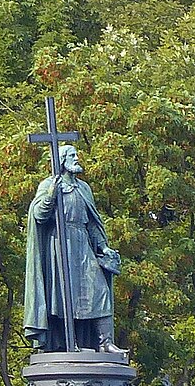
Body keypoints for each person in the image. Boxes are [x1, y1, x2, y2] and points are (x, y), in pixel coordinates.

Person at [23, 144, 124, 352]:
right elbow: (39, 215)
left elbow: (92, 223)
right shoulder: (49, 184)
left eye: (76, 154)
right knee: (62, 296)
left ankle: (105, 343)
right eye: (72, 155)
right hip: (60, 246)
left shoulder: (83, 188)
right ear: (62, 161)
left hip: (82, 244)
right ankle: (66, 345)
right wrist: (52, 193)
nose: (77, 158)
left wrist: (103, 247)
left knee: (99, 291)